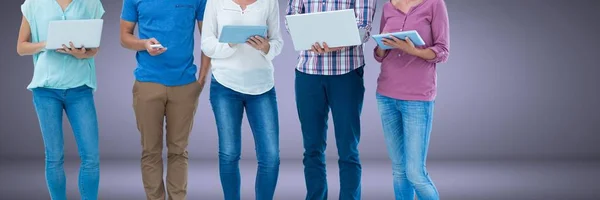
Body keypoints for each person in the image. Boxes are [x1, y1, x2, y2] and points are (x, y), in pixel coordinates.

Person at [286, 0, 376, 199]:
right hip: (308, 73)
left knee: (348, 148)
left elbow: (364, 29)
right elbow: (290, 19)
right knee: (312, 149)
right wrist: (309, 39)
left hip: (347, 73)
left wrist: (335, 44)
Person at [119, 0, 209, 199]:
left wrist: (201, 79)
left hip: (185, 84)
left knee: (179, 151)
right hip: (147, 84)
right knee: (151, 151)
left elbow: (208, 38)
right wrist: (143, 44)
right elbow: (124, 36)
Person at [16, 0, 105, 199]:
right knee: (54, 157)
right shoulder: (33, 4)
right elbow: (21, 47)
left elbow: (95, 48)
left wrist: (83, 55)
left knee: (91, 157)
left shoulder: (91, 3)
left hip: (80, 88)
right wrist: (46, 44)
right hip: (46, 90)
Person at [200, 0, 284, 199]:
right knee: (229, 154)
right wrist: (229, 43)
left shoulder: (269, 2)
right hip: (225, 85)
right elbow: (206, 44)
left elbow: (278, 42)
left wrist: (266, 47)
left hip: (262, 86)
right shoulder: (215, 2)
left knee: (270, 157)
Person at [373, 0, 450, 199]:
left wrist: (414, 51)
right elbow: (380, 54)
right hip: (386, 95)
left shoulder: (434, 4)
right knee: (399, 169)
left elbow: (442, 50)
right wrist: (381, 47)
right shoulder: (389, 6)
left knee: (415, 173)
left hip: (417, 97)